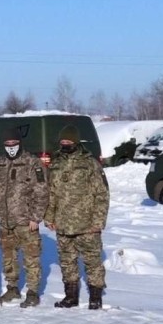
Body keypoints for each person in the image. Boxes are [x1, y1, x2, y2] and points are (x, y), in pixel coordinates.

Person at [44, 125, 110, 310]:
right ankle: (70, 296)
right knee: (67, 261)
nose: (65, 144)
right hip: (63, 224)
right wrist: (49, 217)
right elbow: (52, 193)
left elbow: (102, 194)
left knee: (92, 261)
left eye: (69, 141)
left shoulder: (90, 163)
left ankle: (95, 298)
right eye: (63, 141)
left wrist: (98, 222)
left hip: (87, 224)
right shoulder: (56, 163)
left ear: (76, 141)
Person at [0, 127, 49, 308]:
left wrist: (36, 217)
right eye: (7, 144)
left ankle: (32, 292)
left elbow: (42, 191)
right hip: (5, 221)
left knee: (31, 257)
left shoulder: (32, 163)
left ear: (19, 143)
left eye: (14, 143)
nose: (10, 147)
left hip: (26, 220)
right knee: (8, 256)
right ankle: (12, 288)